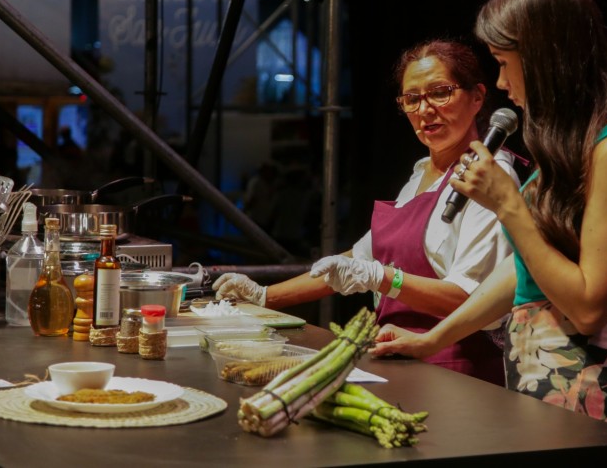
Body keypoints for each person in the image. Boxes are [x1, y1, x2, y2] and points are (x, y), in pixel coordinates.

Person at [371, 0, 607, 432]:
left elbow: (588, 309)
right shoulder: (565, 153)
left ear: (547, 57)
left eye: (504, 62)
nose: (502, 82)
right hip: (537, 381)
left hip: (589, 387)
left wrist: (508, 204)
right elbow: (521, 272)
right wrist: (432, 340)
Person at [214, 38, 522, 386]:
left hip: (457, 370)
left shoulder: (492, 178)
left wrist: (380, 278)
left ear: (478, 96)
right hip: (397, 359)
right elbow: (353, 261)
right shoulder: (421, 174)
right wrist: (265, 296)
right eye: (412, 99)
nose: (424, 110)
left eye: (440, 92)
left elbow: (470, 299)